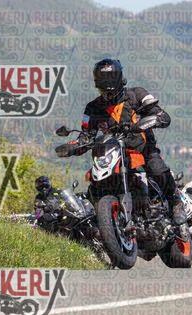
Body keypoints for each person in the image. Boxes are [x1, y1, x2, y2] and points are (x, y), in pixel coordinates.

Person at [70, 58, 185, 225]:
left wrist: (157, 118)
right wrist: (74, 146)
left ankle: (175, 202)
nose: (107, 83)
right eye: (103, 79)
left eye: (110, 77)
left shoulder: (137, 94)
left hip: (143, 149)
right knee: (94, 183)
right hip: (113, 154)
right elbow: (86, 134)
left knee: (157, 169)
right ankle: (103, 221)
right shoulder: (93, 107)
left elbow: (159, 113)